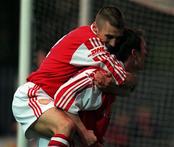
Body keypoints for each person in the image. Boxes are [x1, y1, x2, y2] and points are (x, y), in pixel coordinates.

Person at [12, 6, 137, 147]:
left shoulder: (87, 38)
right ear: (95, 28)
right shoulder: (92, 43)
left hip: (51, 103)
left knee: (73, 137)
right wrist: (133, 80)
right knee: (66, 126)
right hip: (34, 96)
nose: (113, 43)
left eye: (117, 38)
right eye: (109, 37)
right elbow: (122, 78)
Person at [36, 28, 148, 146]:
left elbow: (129, 85)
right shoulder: (97, 77)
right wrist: (86, 134)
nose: (146, 55)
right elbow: (63, 98)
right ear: (134, 54)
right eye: (145, 51)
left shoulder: (112, 82)